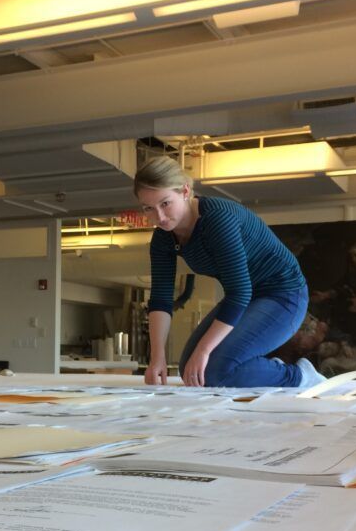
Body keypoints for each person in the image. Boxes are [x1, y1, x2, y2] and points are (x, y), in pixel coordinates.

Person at [135, 156, 325, 388]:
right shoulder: (163, 238)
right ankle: (258, 370)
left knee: (213, 372)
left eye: (165, 203)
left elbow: (239, 292)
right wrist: (157, 359)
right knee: (190, 371)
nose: (159, 217)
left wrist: (204, 350)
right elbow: (161, 300)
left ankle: (299, 376)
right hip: (247, 297)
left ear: (185, 191)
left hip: (284, 295)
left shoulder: (217, 219)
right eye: (148, 208)